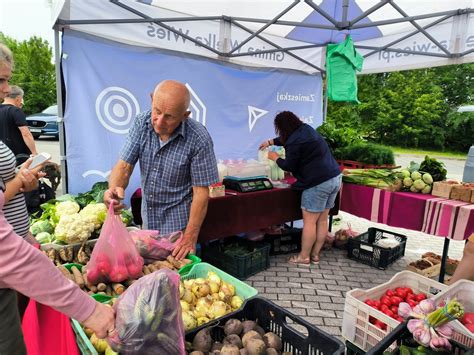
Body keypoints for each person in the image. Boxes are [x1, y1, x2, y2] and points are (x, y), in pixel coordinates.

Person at [0, 42, 115, 354]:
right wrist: (91, 311)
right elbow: (7, 255)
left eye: (7, 80)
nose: (6, 89)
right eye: (0, 80)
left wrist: (18, 181)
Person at [105, 80, 218, 260]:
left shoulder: (198, 138)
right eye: (157, 111)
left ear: (185, 115)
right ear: (151, 100)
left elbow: (201, 193)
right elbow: (124, 166)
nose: (159, 121)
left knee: (177, 282)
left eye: (169, 116)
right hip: (148, 223)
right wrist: (114, 189)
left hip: (178, 230)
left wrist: (190, 237)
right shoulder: (142, 123)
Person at [259, 111, 341, 265]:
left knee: (309, 222)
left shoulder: (294, 142)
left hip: (317, 183)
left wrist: (275, 157)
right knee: (322, 220)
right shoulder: (306, 129)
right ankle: (315, 255)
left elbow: (289, 165)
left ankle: (304, 257)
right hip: (334, 177)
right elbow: (289, 139)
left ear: (281, 127)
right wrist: (271, 142)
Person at [0, 85, 38, 161]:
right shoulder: (15, 111)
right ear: (18, 98)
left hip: (2, 153)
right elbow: (26, 134)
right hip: (17, 155)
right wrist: (34, 153)